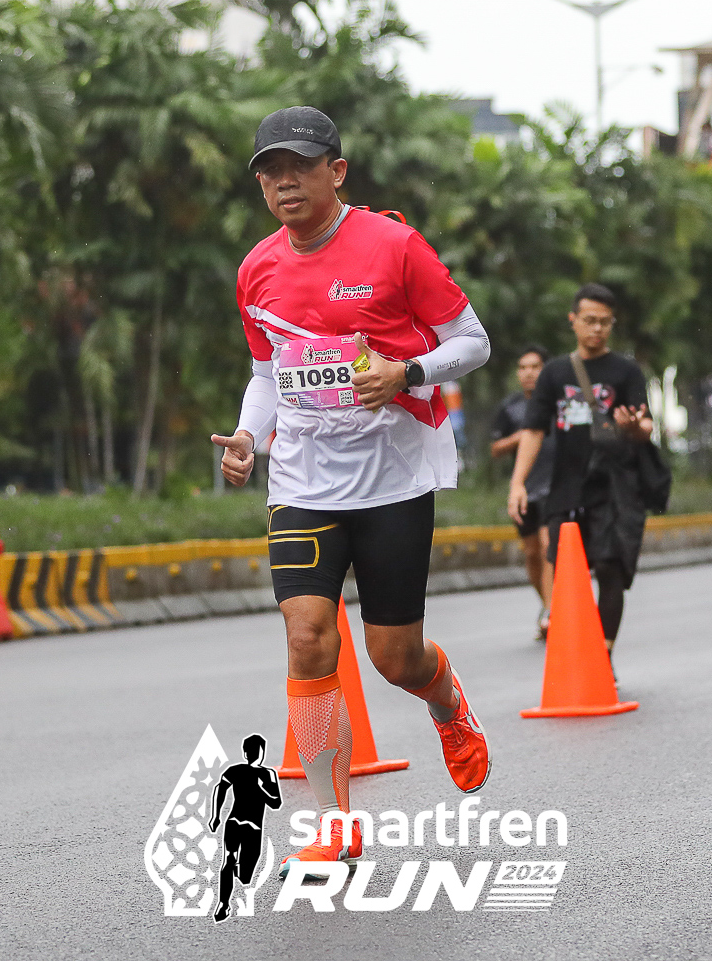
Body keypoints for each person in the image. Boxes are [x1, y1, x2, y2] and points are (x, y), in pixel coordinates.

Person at [209, 106, 493, 879]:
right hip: (303, 479)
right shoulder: (256, 269)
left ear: (336, 171)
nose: (283, 182)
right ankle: (332, 823)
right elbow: (267, 375)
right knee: (307, 636)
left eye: (299, 167)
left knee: (395, 657)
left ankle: (447, 704)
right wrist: (249, 436)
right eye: (269, 171)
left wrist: (407, 372)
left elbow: (474, 342)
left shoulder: (394, 246)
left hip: (394, 477)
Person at [508, 284, 655, 663]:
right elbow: (534, 430)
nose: (597, 328)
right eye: (590, 320)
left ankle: (603, 659)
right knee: (566, 572)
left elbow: (646, 427)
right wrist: (518, 483)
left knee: (609, 567)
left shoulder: (626, 371)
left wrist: (633, 427)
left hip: (614, 486)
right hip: (567, 487)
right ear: (573, 320)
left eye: (605, 322)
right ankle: (576, 653)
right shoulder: (555, 373)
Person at [491, 345, 555, 638]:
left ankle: (552, 611)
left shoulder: (559, 404)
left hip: (554, 487)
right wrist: (523, 436)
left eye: (535, 366)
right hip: (525, 490)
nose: (529, 373)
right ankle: (548, 606)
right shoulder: (511, 407)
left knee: (547, 546)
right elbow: (495, 449)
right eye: (523, 367)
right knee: (531, 553)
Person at [208, 733, 282, 923]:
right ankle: (223, 903)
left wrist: (259, 789)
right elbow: (220, 788)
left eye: (256, 750)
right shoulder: (237, 770)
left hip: (250, 827)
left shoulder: (267, 774)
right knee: (228, 858)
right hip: (237, 823)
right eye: (252, 751)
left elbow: (276, 803)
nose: (254, 754)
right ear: (247, 753)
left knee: (245, 876)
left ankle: (236, 871)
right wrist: (216, 816)